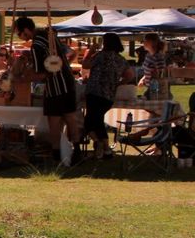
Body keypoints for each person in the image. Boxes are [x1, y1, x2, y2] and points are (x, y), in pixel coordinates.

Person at [15, 17, 78, 164]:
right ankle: (76, 150)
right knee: (70, 117)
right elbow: (63, 54)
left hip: (55, 87)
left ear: (26, 30)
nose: (20, 37)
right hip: (68, 82)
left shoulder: (36, 45)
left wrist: (21, 79)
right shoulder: (48, 36)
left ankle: (56, 155)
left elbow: (40, 73)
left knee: (54, 121)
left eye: (19, 34)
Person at [81, 33, 129, 160]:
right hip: (108, 95)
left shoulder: (100, 56)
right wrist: (118, 83)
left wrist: (91, 50)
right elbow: (130, 75)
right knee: (97, 120)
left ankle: (100, 144)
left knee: (90, 121)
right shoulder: (121, 60)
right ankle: (105, 150)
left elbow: (85, 64)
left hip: (94, 92)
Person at [140, 33, 168, 100]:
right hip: (149, 87)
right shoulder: (148, 55)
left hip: (157, 90)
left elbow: (161, 74)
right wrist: (143, 79)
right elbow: (148, 71)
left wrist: (155, 77)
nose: (143, 43)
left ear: (151, 42)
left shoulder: (158, 56)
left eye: (144, 40)